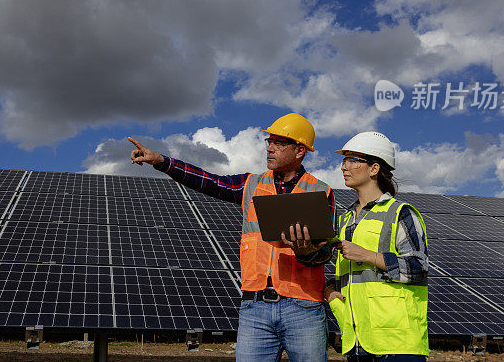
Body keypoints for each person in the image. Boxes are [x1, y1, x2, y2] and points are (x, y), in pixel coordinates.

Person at [128, 113, 335, 362]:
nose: (269, 148)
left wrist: (306, 252)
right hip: (254, 307)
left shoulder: (320, 191)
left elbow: (325, 254)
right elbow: (209, 182)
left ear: (299, 150)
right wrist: (161, 161)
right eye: (268, 142)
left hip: (303, 308)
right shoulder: (251, 184)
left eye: (278, 143)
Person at [325, 131, 428, 362]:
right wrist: (330, 291)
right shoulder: (344, 220)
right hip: (357, 343)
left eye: (353, 160)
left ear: (374, 169)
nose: (344, 167)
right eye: (344, 160)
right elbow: (352, 279)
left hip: (397, 346)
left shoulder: (401, 213)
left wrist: (369, 255)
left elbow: (418, 267)